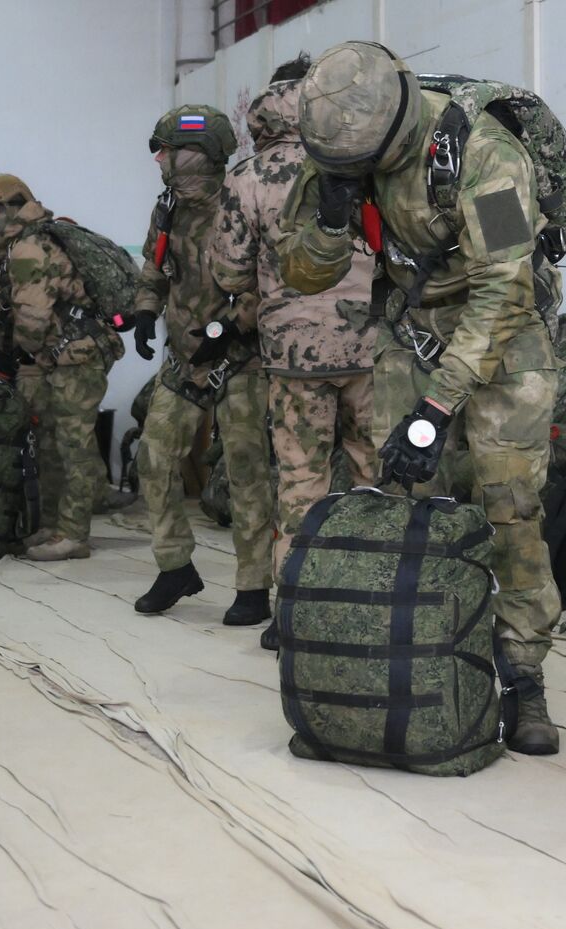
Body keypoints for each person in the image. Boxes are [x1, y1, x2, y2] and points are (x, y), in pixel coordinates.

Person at [278, 41, 563, 755]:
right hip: (412, 329)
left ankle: (523, 673)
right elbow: (302, 274)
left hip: (505, 331)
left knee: (510, 503)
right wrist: (333, 223)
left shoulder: (486, 154)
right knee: (403, 499)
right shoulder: (339, 149)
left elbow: (505, 287)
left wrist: (437, 409)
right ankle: (416, 650)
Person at [211, 54, 378, 650]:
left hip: (293, 355)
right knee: (373, 479)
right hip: (371, 348)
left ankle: (295, 616)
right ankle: (376, 607)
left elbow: (229, 273)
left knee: (301, 486)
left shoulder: (249, 176)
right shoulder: (362, 160)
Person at [130, 106, 274, 626]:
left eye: (166, 150)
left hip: (240, 360)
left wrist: (232, 328)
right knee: (153, 456)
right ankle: (175, 567)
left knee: (246, 472)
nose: (159, 159)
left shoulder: (243, 203)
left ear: (195, 155)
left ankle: (255, 585)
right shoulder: (168, 206)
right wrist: (147, 311)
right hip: (184, 359)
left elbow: (270, 283)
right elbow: (155, 263)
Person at [0, 175, 125, 560]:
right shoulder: (30, 241)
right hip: (65, 356)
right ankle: (54, 528)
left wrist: (31, 354)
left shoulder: (28, 248)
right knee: (53, 447)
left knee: (73, 447)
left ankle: (73, 534)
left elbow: (32, 321)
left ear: (12, 209)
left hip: (77, 357)